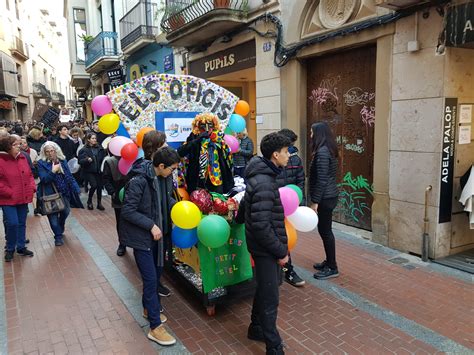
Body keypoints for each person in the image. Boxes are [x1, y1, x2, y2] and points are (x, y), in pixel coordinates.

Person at [120, 146, 180, 346]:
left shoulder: (164, 179)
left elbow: (165, 200)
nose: (173, 172)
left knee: (157, 274)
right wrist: (151, 225)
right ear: (161, 166)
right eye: (171, 168)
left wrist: (178, 207)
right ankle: (155, 327)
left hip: (159, 237)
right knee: (150, 279)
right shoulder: (139, 181)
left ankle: (148, 308)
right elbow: (128, 211)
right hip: (142, 238)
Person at [236, 132, 290, 355]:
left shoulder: (260, 175)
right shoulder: (266, 182)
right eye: (287, 152)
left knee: (265, 288)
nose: (289, 155)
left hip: (262, 247)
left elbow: (245, 207)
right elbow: (261, 225)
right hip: (266, 249)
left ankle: (256, 327)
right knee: (270, 298)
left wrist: (238, 219)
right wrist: (281, 251)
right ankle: (273, 346)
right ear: (275, 155)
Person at [309, 122, 340, 280]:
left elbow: (321, 180)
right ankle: (329, 261)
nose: (310, 135)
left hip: (325, 198)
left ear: (319, 134)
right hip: (329, 195)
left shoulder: (322, 152)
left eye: (312, 132)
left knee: (325, 231)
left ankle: (332, 267)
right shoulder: (329, 150)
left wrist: (315, 202)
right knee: (325, 230)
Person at [276, 128, 306, 287]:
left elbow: (301, 181)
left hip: (290, 206)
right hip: (276, 204)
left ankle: (288, 270)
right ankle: (283, 268)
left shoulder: (296, 160)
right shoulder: (273, 159)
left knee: (286, 238)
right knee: (278, 238)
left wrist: (298, 201)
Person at [37, 142, 82, 246]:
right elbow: (44, 179)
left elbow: (69, 175)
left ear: (56, 150)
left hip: (64, 191)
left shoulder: (62, 160)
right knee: (52, 218)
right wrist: (53, 171)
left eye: (52, 151)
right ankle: (58, 236)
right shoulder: (41, 163)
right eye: (47, 151)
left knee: (65, 212)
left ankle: (60, 225)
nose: (50, 153)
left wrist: (76, 188)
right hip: (50, 194)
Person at [177, 113, 234, 194]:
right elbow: (181, 152)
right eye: (203, 126)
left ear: (214, 125)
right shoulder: (194, 137)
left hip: (217, 179)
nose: (207, 129)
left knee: (218, 203)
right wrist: (198, 140)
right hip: (198, 179)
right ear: (198, 126)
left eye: (210, 125)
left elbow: (227, 159)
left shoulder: (219, 138)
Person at [0, 134, 36, 261]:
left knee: (21, 223)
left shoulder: (23, 157)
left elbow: (30, 174)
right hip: (8, 199)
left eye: (19, 144)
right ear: (7, 147)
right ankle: (10, 248)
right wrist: (9, 192)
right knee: (12, 223)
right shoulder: (1, 160)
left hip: (23, 196)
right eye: (15, 145)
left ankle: (21, 247)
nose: (19, 147)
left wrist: (32, 187)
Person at [103, 150, 128, 256]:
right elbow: (106, 179)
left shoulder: (132, 159)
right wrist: (112, 192)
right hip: (118, 196)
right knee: (121, 221)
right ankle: (122, 244)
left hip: (133, 194)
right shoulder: (110, 162)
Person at [78, 133, 107, 210]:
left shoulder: (99, 148)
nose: (94, 140)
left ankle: (99, 203)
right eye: (92, 138)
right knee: (94, 185)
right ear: (88, 139)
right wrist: (87, 160)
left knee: (100, 187)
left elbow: (103, 158)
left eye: (95, 138)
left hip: (98, 170)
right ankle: (89, 201)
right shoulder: (84, 150)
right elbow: (80, 161)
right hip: (89, 171)